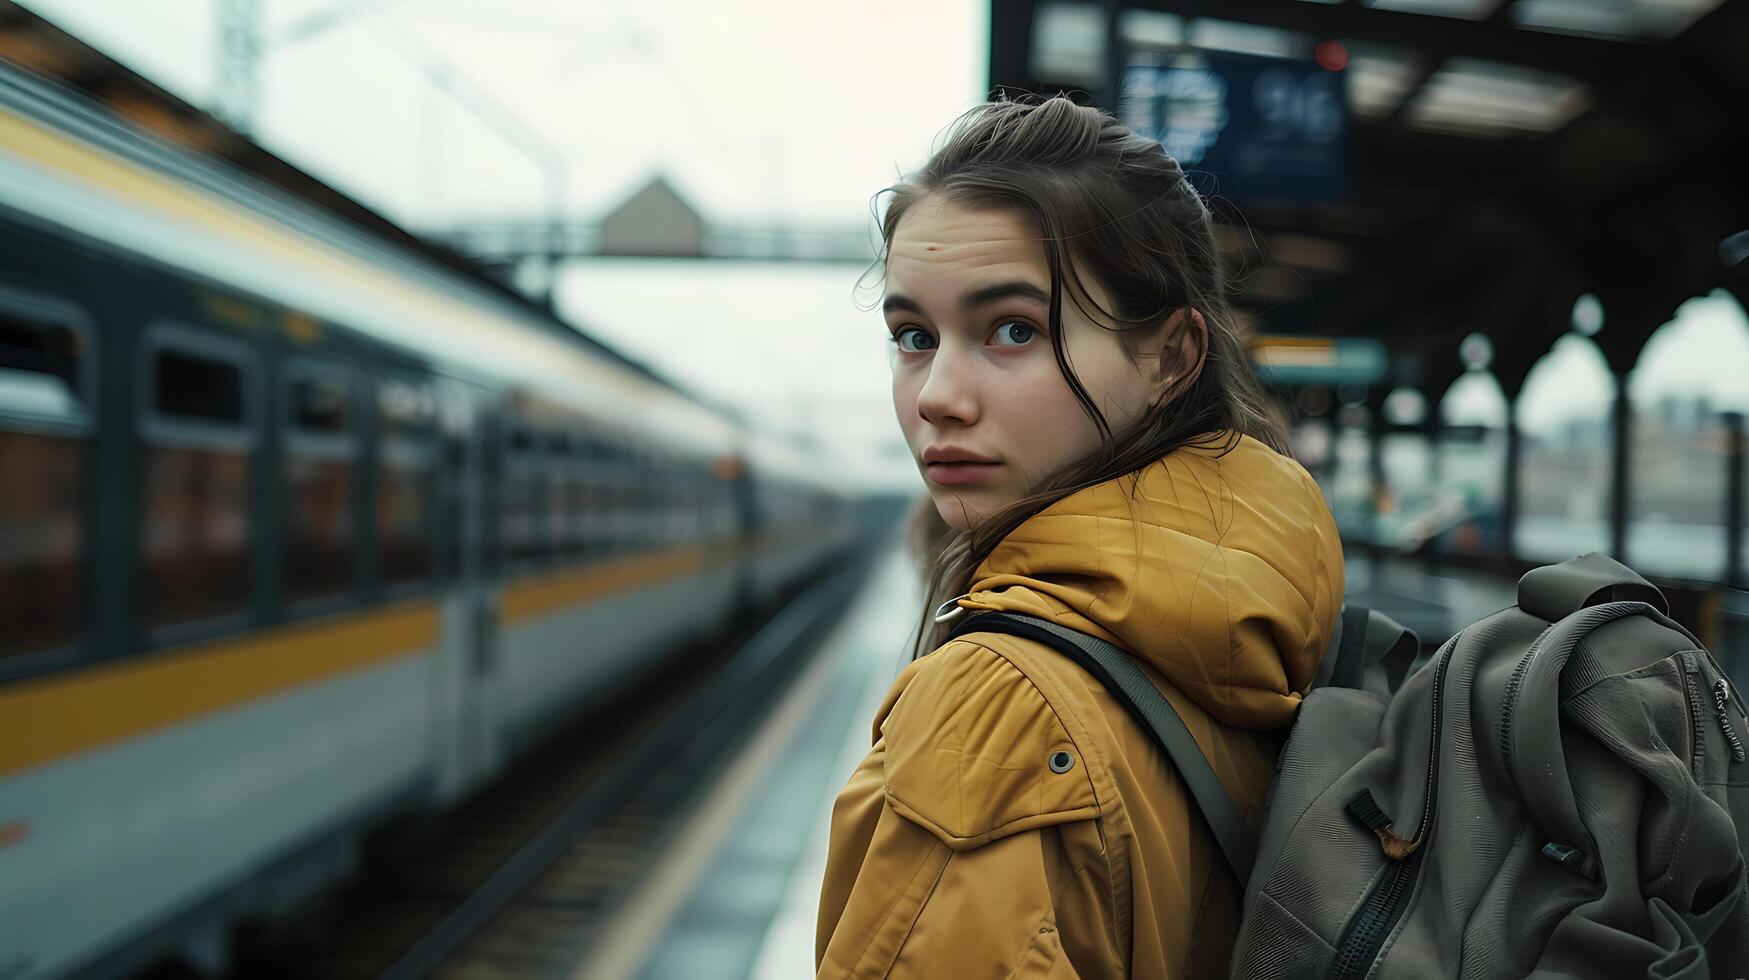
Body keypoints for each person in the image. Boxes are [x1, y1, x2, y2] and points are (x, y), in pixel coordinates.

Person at [815, 96, 1344, 979]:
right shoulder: (1264, 598)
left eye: (1012, 330)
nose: (937, 394)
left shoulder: (995, 708)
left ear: (1171, 356)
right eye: (912, 336)